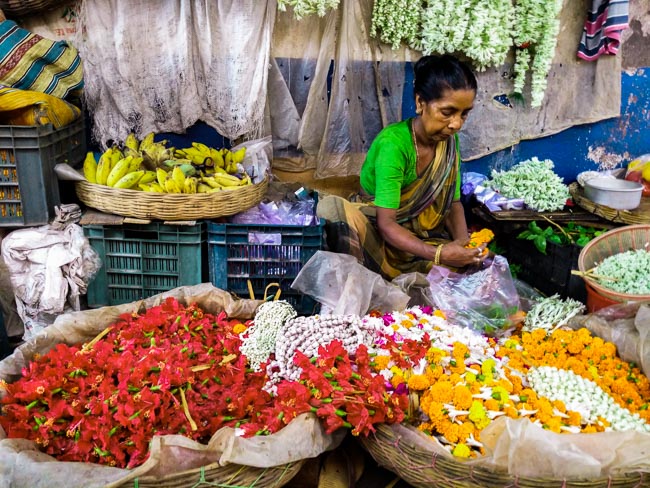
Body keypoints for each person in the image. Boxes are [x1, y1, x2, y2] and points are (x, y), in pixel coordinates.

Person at [317, 54, 488, 280]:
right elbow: (386, 223)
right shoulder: (394, 145)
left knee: (482, 268)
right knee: (338, 214)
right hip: (379, 235)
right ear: (420, 103)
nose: (456, 124)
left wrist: (461, 246)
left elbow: (453, 202)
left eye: (464, 114)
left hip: (420, 240)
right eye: (447, 112)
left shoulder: (449, 143)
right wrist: (438, 254)